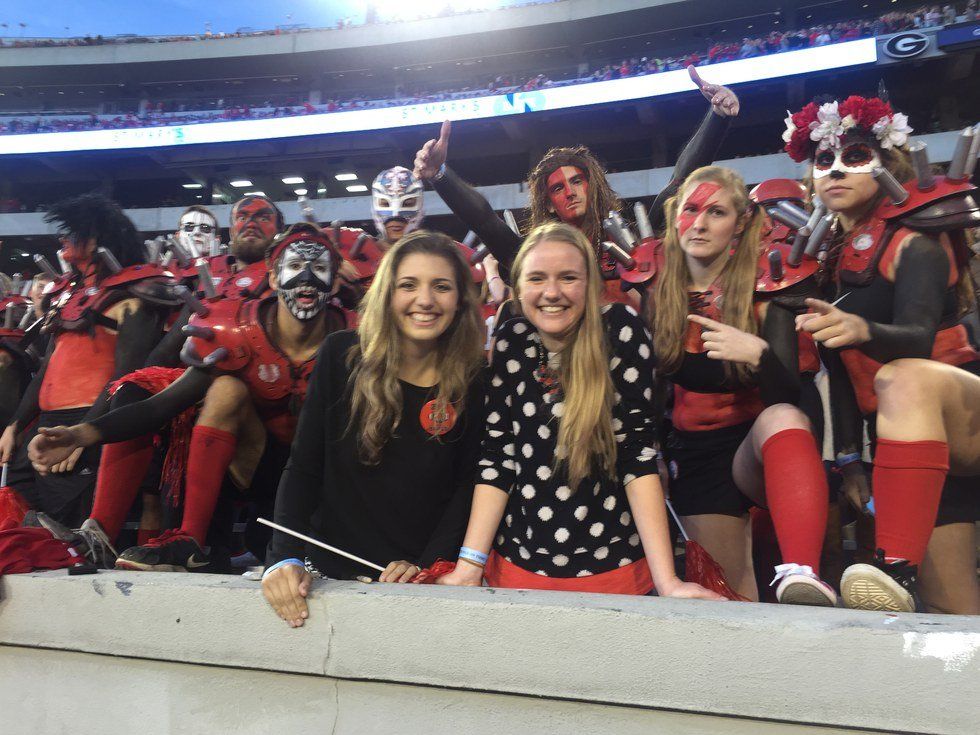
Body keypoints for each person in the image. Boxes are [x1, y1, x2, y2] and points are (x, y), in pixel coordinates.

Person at [27, 223, 349, 571]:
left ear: (334, 283)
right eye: (295, 266)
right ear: (273, 278)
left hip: (328, 476)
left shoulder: (359, 337)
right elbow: (160, 406)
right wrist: (80, 433)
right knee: (224, 389)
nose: (306, 279)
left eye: (318, 268)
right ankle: (186, 540)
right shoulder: (238, 330)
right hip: (256, 466)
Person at [434, 222, 720, 599]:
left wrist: (668, 582)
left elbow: (636, 457)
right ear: (519, 286)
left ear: (590, 284)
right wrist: (469, 568)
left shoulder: (620, 332)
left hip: (616, 573)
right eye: (537, 278)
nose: (552, 292)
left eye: (568, 277)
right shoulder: (511, 341)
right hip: (515, 570)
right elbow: (499, 459)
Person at [787, 95, 980, 613]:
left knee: (903, 375)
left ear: (887, 163)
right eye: (823, 160)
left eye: (854, 157)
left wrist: (860, 328)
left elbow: (916, 340)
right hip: (908, 442)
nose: (835, 171)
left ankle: (893, 563)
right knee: (952, 606)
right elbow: (842, 373)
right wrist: (851, 461)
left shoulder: (916, 238)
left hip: (958, 413)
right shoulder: (829, 259)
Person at [262, 231, 486, 627]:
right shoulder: (340, 354)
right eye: (408, 285)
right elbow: (304, 467)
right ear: (386, 294)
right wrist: (284, 557)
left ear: (460, 300)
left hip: (419, 580)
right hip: (329, 572)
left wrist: (427, 565)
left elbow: (468, 487)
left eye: (441, 286)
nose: (425, 300)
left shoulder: (476, 376)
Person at [644, 166, 834, 604]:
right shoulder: (655, 290)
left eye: (716, 212)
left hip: (757, 448)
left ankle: (802, 574)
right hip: (695, 456)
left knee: (782, 415)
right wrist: (653, 454)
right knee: (729, 599)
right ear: (675, 217)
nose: (700, 223)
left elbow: (790, 397)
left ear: (740, 222)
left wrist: (761, 356)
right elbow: (649, 390)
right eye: (690, 210)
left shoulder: (767, 283)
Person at [412, 65, 740, 303]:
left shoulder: (635, 242)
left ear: (592, 185)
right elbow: (485, 221)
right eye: (557, 188)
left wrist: (717, 118)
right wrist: (440, 175)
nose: (570, 192)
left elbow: (677, 185)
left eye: (577, 181)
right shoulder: (533, 256)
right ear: (548, 202)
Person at [0, 193, 176, 526]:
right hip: (46, 423)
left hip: (89, 420)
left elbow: (127, 377)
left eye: (73, 231)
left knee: (68, 532)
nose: (63, 238)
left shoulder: (133, 297)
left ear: (95, 239)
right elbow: (48, 370)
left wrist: (84, 434)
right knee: (21, 519)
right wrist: (15, 425)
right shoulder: (68, 297)